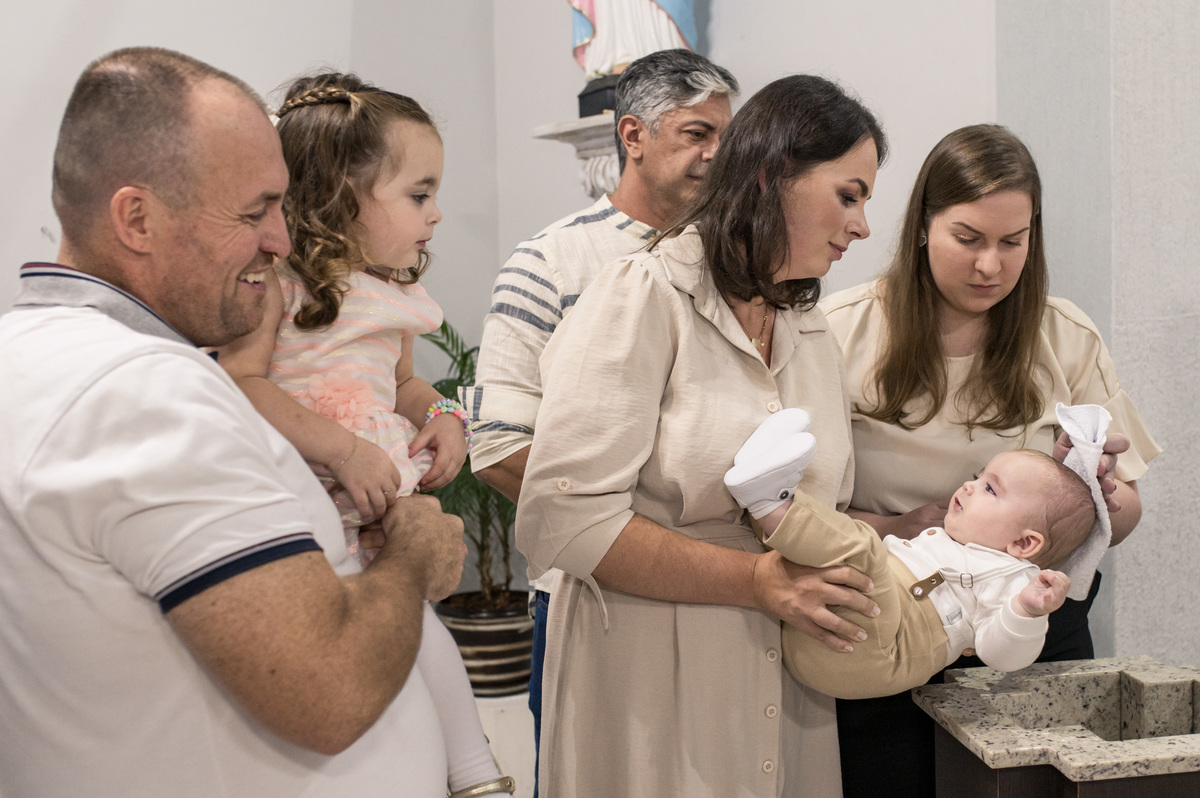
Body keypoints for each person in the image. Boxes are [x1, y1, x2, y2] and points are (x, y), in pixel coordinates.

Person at [0, 47, 468, 797]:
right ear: (137, 218)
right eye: (254, 212)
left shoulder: (26, 351)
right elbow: (328, 689)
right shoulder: (145, 394)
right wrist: (412, 555)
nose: (283, 241)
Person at [514, 74, 887, 797]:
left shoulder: (811, 328)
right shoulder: (643, 295)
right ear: (773, 175)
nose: (862, 226)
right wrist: (754, 582)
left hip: (790, 680)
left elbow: (822, 509)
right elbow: (561, 519)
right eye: (849, 194)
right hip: (650, 681)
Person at [820, 124, 1162, 796]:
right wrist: (899, 528)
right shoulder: (840, 331)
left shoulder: (1063, 335)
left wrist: (1099, 495)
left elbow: (1122, 517)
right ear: (922, 227)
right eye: (968, 239)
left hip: (1032, 629)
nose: (990, 267)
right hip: (891, 619)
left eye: (1014, 242)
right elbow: (795, 510)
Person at [215, 73, 511, 798]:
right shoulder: (279, 285)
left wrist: (445, 420)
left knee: (408, 625)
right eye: (419, 194)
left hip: (380, 496)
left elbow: (407, 386)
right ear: (344, 193)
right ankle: (468, 773)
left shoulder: (394, 293)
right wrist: (342, 449)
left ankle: (469, 771)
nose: (437, 214)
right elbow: (242, 384)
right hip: (309, 496)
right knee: (359, 637)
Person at [462, 47, 737, 790]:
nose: (717, 153)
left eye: (725, 134)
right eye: (695, 133)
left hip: (730, 589)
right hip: (594, 598)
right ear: (632, 135)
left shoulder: (740, 266)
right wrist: (637, 532)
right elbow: (495, 447)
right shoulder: (551, 262)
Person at [726, 409, 1099, 698]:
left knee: (863, 547)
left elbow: (1003, 657)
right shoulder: (948, 538)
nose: (968, 487)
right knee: (826, 556)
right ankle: (764, 483)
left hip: (884, 651)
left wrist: (1026, 612)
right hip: (832, 630)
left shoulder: (1011, 578)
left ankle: (770, 498)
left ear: (1024, 544)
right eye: (977, 477)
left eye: (990, 490)